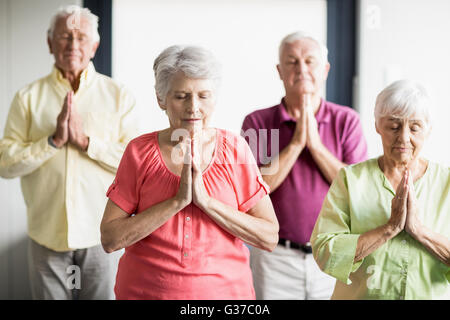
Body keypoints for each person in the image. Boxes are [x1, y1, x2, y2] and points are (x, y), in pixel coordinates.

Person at [100, 45, 279, 300]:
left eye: (203, 95)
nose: (193, 107)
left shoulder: (236, 149)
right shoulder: (138, 151)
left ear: (214, 97)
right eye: (181, 96)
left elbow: (269, 236)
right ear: (161, 98)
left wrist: (206, 202)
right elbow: (110, 238)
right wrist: (177, 202)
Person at [0, 5, 139, 299]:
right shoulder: (27, 98)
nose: (73, 45)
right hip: (46, 235)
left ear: (95, 45)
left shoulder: (118, 96)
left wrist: (87, 143)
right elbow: (5, 164)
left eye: (80, 37)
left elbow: (135, 163)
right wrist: (52, 141)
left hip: (100, 234)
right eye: (64, 37)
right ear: (50, 43)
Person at [241, 31, 368, 300]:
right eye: (292, 61)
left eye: (309, 61)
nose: (301, 69)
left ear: (324, 70)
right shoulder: (257, 122)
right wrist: (297, 144)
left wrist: (317, 147)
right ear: (279, 70)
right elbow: (251, 191)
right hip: (274, 257)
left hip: (333, 254)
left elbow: (359, 190)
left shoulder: (347, 121)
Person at [311, 80, 450, 299]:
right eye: (394, 126)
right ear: (377, 125)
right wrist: (389, 228)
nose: (404, 137)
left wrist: (420, 232)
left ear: (429, 129)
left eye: (415, 128)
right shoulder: (351, 179)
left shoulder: (446, 183)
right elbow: (325, 252)